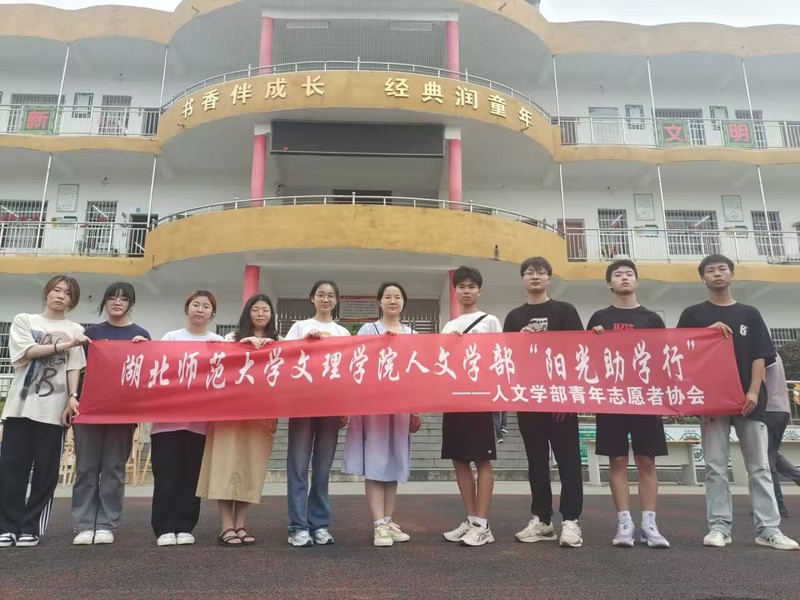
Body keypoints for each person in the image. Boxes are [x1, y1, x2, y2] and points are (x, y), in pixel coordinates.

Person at [677, 254, 798, 551]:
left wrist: (754, 391)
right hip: (712, 401)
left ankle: (768, 529)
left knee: (759, 467)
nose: (717, 273)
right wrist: (706, 334)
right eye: (710, 270)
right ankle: (719, 527)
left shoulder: (750, 313)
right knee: (715, 466)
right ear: (702, 278)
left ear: (732, 274)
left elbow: (761, 355)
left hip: (749, 401)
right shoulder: (692, 314)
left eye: (722, 269)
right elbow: (680, 351)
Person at [0, 275, 89, 548]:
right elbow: (27, 352)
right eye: (56, 290)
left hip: (53, 412)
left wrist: (72, 397)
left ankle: (31, 527)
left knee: (46, 472)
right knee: (11, 470)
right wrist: (66, 344)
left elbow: (74, 366)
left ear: (73, 300)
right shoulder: (25, 320)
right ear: (47, 293)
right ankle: (7, 526)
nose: (61, 296)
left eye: (67, 293)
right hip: (20, 408)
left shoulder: (75, 328)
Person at [587, 259, 670, 548]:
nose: (624, 278)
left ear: (637, 281)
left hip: (645, 398)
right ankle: (624, 522)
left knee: (647, 461)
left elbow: (662, 359)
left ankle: (649, 524)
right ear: (609, 284)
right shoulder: (599, 317)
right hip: (612, 399)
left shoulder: (652, 319)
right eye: (618, 275)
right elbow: (587, 358)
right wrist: (594, 339)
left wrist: (667, 397)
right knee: (618, 461)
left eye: (629, 274)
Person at [504, 256, 584, 548]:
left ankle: (571, 521)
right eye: (529, 272)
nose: (535, 276)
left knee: (568, 461)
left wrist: (569, 397)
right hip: (529, 399)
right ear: (522, 279)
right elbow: (506, 358)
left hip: (561, 399)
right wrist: (519, 340)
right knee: (536, 462)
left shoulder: (565, 311)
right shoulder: (514, 317)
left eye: (540, 272)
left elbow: (578, 353)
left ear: (549, 278)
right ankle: (542, 520)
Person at [342, 282, 421, 547]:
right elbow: (358, 361)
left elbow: (416, 372)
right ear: (379, 302)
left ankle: (388, 520)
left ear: (404, 302)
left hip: (401, 407)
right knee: (376, 464)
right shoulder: (369, 330)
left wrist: (415, 408)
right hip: (374, 407)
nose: (392, 301)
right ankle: (378, 524)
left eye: (397, 297)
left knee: (394, 463)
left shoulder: (412, 333)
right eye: (387, 297)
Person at [196, 294, 279, 546]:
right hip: (229, 412)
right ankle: (226, 527)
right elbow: (216, 363)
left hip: (260, 415)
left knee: (249, 467)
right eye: (256, 309)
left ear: (272, 315)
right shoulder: (231, 339)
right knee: (225, 465)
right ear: (247, 313)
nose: (261, 314)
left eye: (265, 310)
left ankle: (240, 524)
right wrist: (241, 345)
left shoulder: (280, 342)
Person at [72, 282, 150, 546]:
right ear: (104, 302)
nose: (117, 302)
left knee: (114, 469)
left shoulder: (141, 335)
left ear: (131, 304)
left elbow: (147, 374)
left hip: (122, 413)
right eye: (112, 298)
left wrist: (143, 350)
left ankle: (106, 524)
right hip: (89, 410)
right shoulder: (91, 333)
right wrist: (73, 398)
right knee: (86, 468)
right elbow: (77, 369)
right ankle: (84, 524)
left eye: (124, 298)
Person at [149, 290, 225, 547]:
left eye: (206, 306)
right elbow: (155, 367)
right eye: (195, 304)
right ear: (187, 308)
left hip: (200, 424)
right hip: (166, 422)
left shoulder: (218, 341)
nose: (200, 309)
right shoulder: (171, 338)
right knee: (165, 476)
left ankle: (185, 526)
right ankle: (163, 528)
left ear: (212, 314)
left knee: (191, 477)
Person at [284, 280, 350, 547]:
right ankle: (298, 527)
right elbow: (284, 357)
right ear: (312, 298)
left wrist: (345, 405)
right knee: (298, 466)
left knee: (322, 468)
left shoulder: (342, 332)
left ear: (336, 301)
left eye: (331, 295)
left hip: (330, 405)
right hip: (301, 403)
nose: (325, 299)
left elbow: (348, 369)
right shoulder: (299, 327)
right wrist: (304, 342)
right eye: (321, 294)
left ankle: (320, 524)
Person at [440, 266, 501, 547]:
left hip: (480, 398)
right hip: (454, 398)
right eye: (461, 286)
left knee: (482, 460)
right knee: (459, 460)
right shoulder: (448, 326)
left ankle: (482, 524)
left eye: (471, 286)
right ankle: (471, 518)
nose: (466, 291)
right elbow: (439, 361)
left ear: (479, 290)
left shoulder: (490, 321)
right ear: (454, 291)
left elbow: (499, 356)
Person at [761, 354, 800, 517]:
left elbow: (760, 380)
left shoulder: (761, 352)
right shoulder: (774, 353)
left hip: (769, 409)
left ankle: (776, 504)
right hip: (781, 409)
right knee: (772, 454)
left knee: (765, 460)